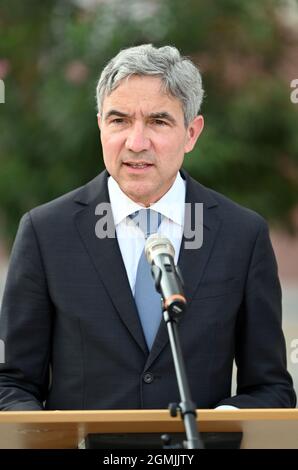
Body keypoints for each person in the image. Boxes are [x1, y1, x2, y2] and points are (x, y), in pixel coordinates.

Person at [0, 44, 296, 411]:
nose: (136, 143)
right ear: (100, 126)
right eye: (119, 120)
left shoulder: (242, 236)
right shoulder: (45, 233)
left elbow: (272, 389)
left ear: (191, 132)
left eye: (158, 121)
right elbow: (11, 384)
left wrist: (221, 426)